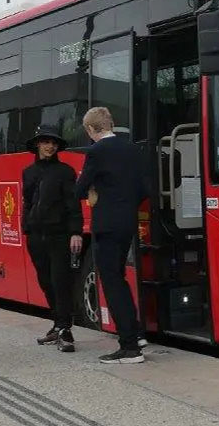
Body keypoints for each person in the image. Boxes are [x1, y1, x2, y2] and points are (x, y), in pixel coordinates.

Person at [75, 107, 146, 364]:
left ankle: (129, 347)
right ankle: (136, 334)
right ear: (111, 124)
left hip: (106, 225)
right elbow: (143, 189)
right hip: (127, 223)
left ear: (90, 129)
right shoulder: (132, 149)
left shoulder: (96, 151)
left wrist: (95, 193)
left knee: (112, 282)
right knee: (119, 279)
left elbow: (80, 189)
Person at [22, 124, 84, 353]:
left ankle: (66, 330)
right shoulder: (28, 172)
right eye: (46, 142)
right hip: (35, 235)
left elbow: (73, 204)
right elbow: (27, 202)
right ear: (38, 144)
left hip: (59, 235)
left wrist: (76, 232)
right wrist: (26, 228)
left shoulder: (65, 172)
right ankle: (58, 324)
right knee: (45, 281)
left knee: (61, 281)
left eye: (54, 143)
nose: (50, 146)